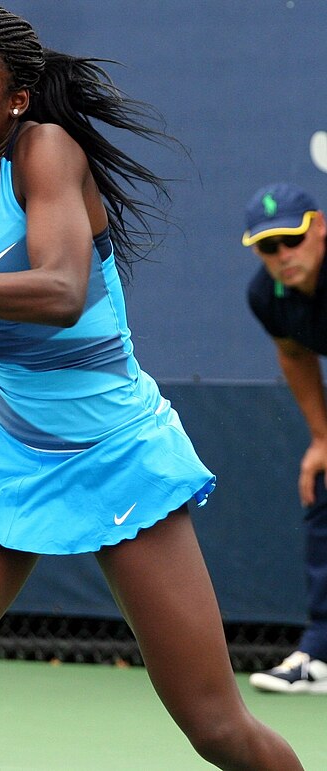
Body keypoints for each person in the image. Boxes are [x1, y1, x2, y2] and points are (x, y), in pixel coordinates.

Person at [0, 4, 303, 768]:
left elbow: (57, 289)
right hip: (9, 442)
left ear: (15, 99)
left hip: (118, 447)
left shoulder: (49, 151)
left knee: (215, 725)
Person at [243, 181, 327, 694]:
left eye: (292, 240)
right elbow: (295, 354)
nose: (282, 256)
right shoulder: (265, 295)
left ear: (320, 229)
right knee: (323, 484)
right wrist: (321, 439)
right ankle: (319, 656)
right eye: (268, 247)